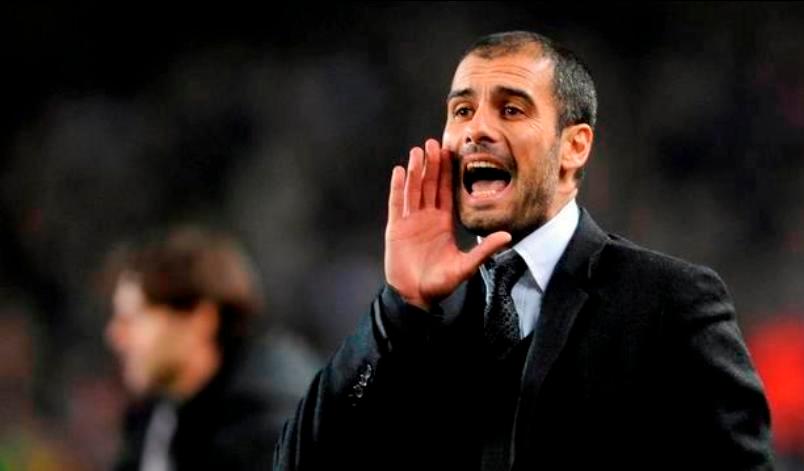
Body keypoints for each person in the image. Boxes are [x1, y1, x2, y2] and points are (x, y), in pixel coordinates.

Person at [275, 31, 773, 470]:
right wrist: (398, 308)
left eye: (511, 109)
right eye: (462, 111)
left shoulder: (669, 301)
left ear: (574, 146)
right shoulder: (414, 323)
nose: (477, 129)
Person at [105, 226, 318, 470]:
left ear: (200, 319)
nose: (115, 336)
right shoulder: (159, 418)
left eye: (132, 319)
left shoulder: (272, 426)